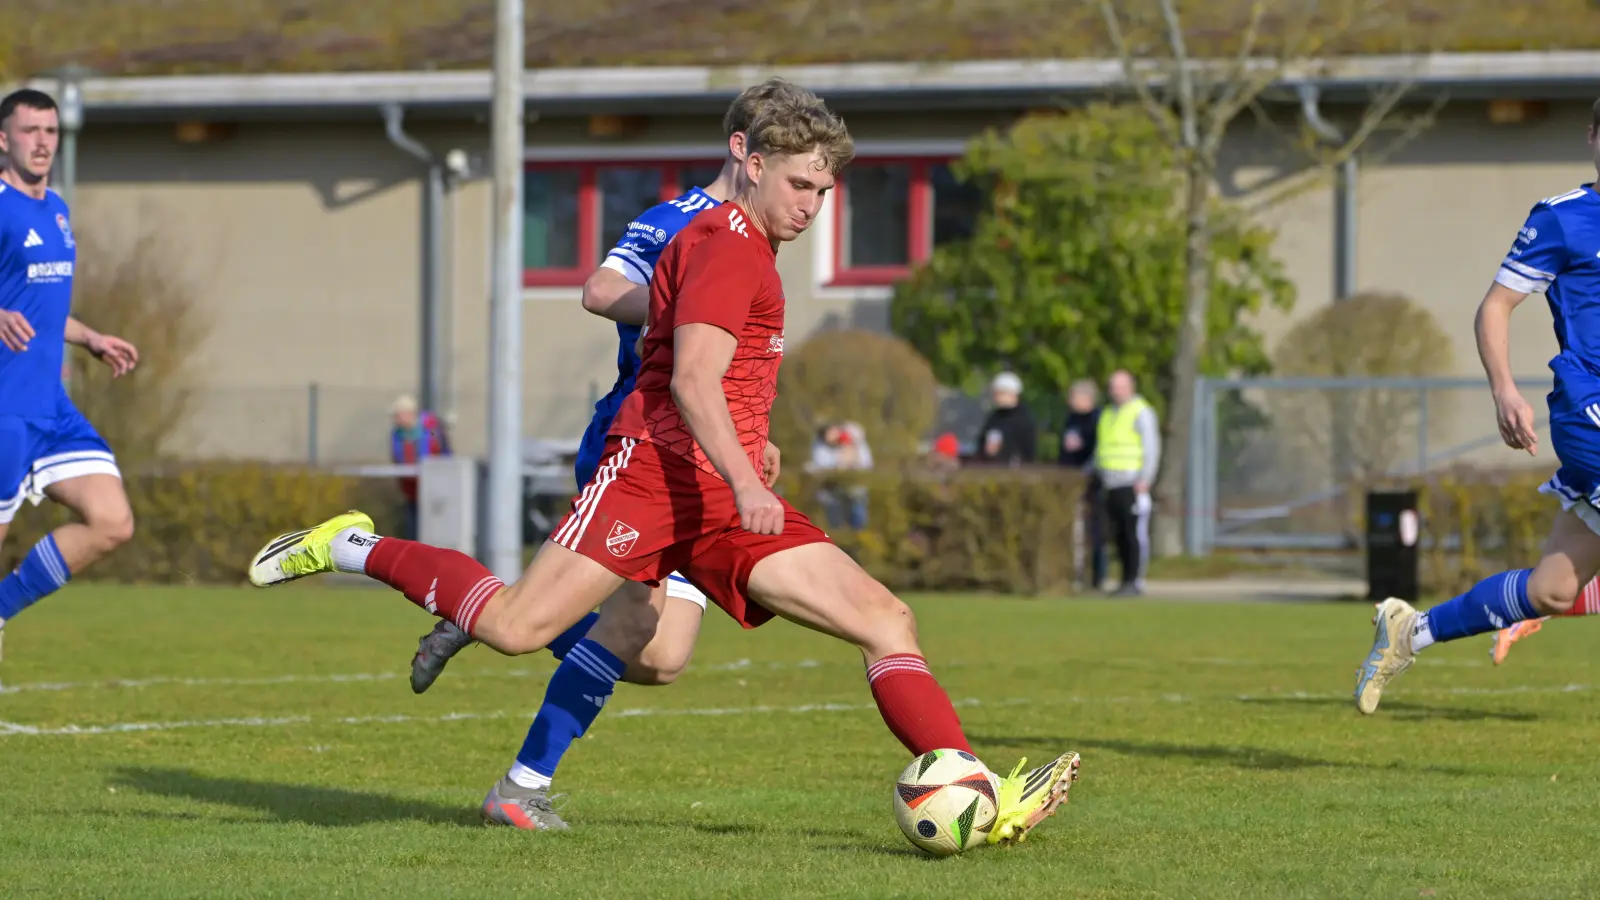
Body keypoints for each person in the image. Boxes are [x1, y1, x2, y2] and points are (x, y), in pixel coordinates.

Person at [248, 88, 1080, 843]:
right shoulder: (723, 245)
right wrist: (751, 477)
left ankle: (975, 787)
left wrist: (751, 447)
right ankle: (350, 546)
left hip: (719, 493)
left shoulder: (749, 242)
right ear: (749, 161)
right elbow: (687, 377)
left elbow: (720, 371)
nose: (816, 206)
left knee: (877, 620)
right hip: (651, 477)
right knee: (512, 628)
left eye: (825, 191)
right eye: (800, 185)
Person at [400, 78, 800, 830]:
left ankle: (494, 616)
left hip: (705, 449)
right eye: (787, 163)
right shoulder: (683, 220)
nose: (804, 190)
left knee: (661, 657)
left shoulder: (762, 234)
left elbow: (733, 362)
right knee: (622, 629)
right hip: (643, 439)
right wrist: (693, 307)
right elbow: (598, 288)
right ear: (744, 153)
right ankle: (520, 775)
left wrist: (752, 431)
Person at [1354, 98, 1600, 714]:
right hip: (1587, 404)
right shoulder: (1564, 219)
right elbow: (1495, 307)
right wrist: (1504, 390)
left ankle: (1411, 632)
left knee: (1553, 589)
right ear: (1593, 139)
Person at [0, 89, 139, 651]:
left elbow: (41, 307)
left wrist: (90, 338)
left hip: (49, 408)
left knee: (112, 521)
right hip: (4, 408)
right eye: (30, 131)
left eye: (50, 132)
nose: (42, 142)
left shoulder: (55, 208)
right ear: (3, 139)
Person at [1094, 370, 1159, 596]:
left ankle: (1134, 580)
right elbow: (1102, 447)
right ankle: (1123, 580)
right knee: (1118, 535)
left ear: (1131, 387)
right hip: (1110, 483)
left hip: (1131, 482)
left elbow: (1151, 447)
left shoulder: (1140, 411)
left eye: (1120, 386)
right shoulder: (1108, 414)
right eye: (1112, 386)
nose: (1115, 391)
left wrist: (1145, 478)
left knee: (1133, 534)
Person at [1059, 379, 1106, 591]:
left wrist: (1086, 472)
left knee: (1093, 530)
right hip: (1070, 480)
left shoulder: (1098, 419)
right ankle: (1074, 574)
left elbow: (1097, 451)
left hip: (1091, 482)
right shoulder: (1071, 419)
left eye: (1074, 396)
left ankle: (1097, 576)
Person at [389, 394, 450, 540]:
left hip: (436, 488)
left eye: (398, 415)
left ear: (409, 413)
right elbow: (397, 459)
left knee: (435, 531)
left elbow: (444, 453)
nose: (396, 420)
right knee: (413, 530)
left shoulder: (432, 428)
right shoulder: (396, 434)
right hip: (412, 491)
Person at [806, 421, 872, 529]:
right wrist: (839, 461)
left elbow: (866, 463)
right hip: (831, 489)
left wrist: (851, 456)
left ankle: (857, 533)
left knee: (857, 515)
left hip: (855, 486)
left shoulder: (854, 440)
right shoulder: (820, 446)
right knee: (834, 518)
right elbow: (821, 464)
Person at [973, 371, 1037, 465]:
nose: (996, 397)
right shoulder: (994, 417)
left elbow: (1028, 451)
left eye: (1000, 393)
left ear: (1012, 394)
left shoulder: (1024, 419)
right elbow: (982, 442)